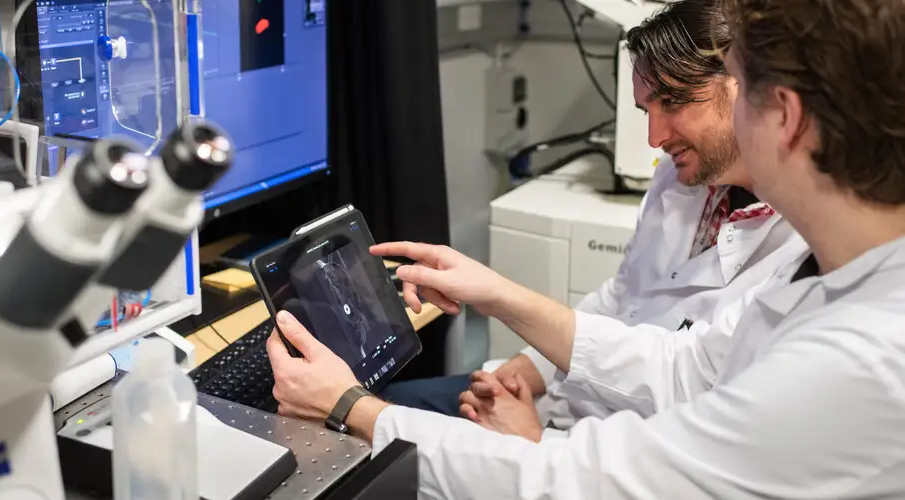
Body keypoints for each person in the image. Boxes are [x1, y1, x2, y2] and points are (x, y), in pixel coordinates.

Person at [268, 0, 905, 497]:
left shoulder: (859, 361)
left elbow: (575, 484)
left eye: (736, 87)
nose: (656, 137)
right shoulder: (824, 271)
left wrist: (354, 408)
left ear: (786, 117)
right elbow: (682, 369)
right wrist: (500, 296)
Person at [379, 0, 808, 428]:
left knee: (386, 441)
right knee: (393, 401)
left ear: (746, 87)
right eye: (646, 111)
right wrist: (531, 368)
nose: (655, 137)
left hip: (624, 445)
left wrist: (534, 445)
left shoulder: (804, 249)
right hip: (572, 401)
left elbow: (686, 382)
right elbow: (623, 295)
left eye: (673, 102)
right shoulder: (683, 179)